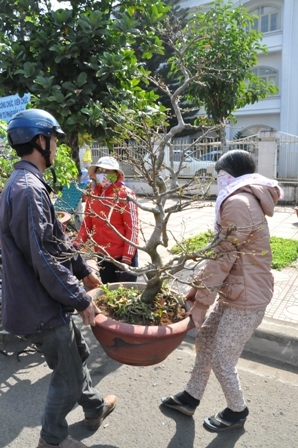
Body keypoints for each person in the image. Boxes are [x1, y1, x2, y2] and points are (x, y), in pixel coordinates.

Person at [0, 109, 117, 448]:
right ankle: (52, 438)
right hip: (39, 306)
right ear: (40, 140)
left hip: (42, 299)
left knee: (76, 354)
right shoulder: (27, 189)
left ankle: (94, 407)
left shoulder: (30, 183)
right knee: (66, 376)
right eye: (54, 139)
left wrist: (83, 270)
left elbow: (56, 241)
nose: (56, 147)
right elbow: (44, 256)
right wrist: (79, 299)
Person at [161, 150, 284, 432]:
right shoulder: (243, 198)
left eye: (220, 175)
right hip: (238, 290)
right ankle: (190, 397)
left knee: (222, 357)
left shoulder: (238, 202)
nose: (218, 181)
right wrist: (196, 290)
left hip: (247, 298)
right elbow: (221, 253)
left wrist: (202, 302)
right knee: (205, 341)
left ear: (231, 175)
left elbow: (223, 258)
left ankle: (237, 411)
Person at [75, 156, 139, 284]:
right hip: (102, 256)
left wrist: (127, 258)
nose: (102, 174)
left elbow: (132, 229)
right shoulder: (93, 196)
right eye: (100, 171)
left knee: (126, 294)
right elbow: (87, 225)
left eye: (107, 171)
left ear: (116, 174)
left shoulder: (125, 195)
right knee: (108, 293)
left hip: (123, 257)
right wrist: (77, 243)